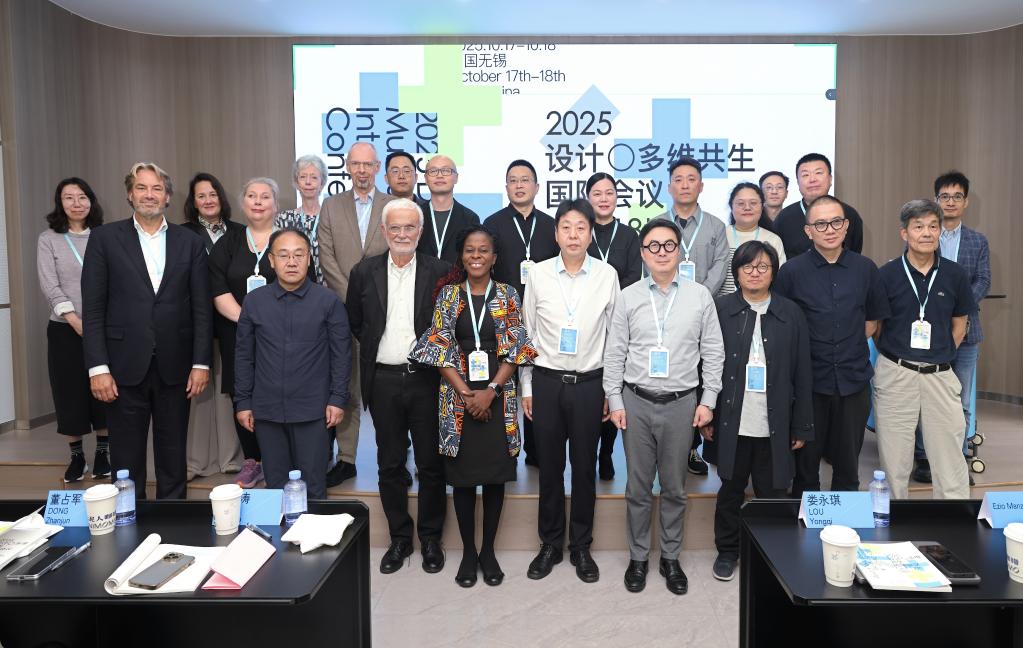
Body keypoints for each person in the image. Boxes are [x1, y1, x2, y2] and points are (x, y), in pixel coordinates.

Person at [410, 225, 538, 588]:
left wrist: (491, 391)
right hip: (458, 398)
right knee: (463, 480)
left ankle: (488, 552)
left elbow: (516, 349)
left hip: (499, 395)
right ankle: (468, 552)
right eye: (470, 250)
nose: (476, 256)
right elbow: (438, 348)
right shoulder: (449, 295)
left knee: (495, 477)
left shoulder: (507, 294)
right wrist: (467, 394)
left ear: (494, 257)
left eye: (483, 250)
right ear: (461, 256)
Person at [603, 218, 724, 595]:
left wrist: (708, 400)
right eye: (653, 246)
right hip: (636, 402)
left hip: (681, 403)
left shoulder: (699, 296)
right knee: (637, 487)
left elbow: (713, 352)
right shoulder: (628, 296)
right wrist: (614, 399)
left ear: (679, 250)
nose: (661, 252)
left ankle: (670, 557)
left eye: (669, 245)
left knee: (674, 487)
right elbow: (615, 352)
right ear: (643, 253)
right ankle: (638, 557)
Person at [82, 162, 212, 499]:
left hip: (177, 366)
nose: (149, 195)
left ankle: (173, 519)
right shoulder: (104, 239)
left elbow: (201, 308)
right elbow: (93, 309)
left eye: (157, 188)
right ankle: (129, 520)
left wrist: (201, 363)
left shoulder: (190, 242)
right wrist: (98, 368)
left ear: (167, 196)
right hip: (121, 366)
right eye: (141, 188)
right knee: (126, 458)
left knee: (173, 454)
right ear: (130, 194)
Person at [346, 198, 451, 574]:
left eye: (410, 227)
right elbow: (356, 322)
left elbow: (448, 326)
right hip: (384, 380)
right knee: (389, 463)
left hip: (427, 379)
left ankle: (431, 538)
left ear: (420, 231)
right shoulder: (364, 271)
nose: (402, 234)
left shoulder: (442, 272)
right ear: (384, 231)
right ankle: (400, 538)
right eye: (395, 227)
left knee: (431, 464)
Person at [520, 198, 619, 583]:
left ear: (591, 234)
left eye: (581, 227)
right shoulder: (539, 274)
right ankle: (549, 543)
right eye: (566, 227)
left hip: (590, 383)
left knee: (584, 468)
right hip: (546, 382)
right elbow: (527, 332)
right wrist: (527, 386)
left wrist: (611, 390)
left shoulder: (607, 275)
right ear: (556, 233)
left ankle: (581, 545)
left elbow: (615, 337)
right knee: (549, 468)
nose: (573, 235)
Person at [706, 241, 813, 582]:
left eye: (763, 266)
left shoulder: (791, 313)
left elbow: (802, 372)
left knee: (774, 493)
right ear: (736, 273)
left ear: (774, 272)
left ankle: (772, 554)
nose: (755, 273)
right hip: (731, 419)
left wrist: (802, 425)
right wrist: (706, 413)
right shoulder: (720, 309)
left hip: (775, 421)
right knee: (730, 490)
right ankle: (728, 550)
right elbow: (706, 364)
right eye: (747, 267)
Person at [775, 195, 887, 496]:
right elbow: (782, 327)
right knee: (805, 467)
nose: (830, 229)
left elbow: (872, 322)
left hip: (853, 380)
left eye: (836, 222)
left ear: (846, 226)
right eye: (821, 224)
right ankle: (806, 522)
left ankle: (845, 522)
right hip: (808, 383)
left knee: (848, 466)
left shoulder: (866, 269)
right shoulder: (791, 272)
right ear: (808, 231)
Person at [234, 228, 351, 500]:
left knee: (313, 487)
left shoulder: (329, 301)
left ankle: (313, 530)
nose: (292, 262)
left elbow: (342, 355)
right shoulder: (254, 302)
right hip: (267, 411)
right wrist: (243, 402)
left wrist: (337, 398)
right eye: (283, 255)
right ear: (271, 261)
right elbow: (244, 356)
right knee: (275, 487)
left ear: (309, 259)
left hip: (314, 411)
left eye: (299, 255)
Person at [874, 199, 975, 500]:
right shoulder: (886, 274)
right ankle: (892, 519)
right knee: (894, 458)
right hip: (896, 373)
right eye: (918, 227)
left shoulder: (955, 274)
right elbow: (877, 328)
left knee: (949, 457)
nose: (927, 233)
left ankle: (953, 519)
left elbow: (960, 325)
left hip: (940, 374)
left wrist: (939, 354)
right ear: (904, 233)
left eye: (933, 226)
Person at [318, 141, 395, 486]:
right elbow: (325, 256)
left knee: (384, 389)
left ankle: (391, 459)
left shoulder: (393, 206)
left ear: (377, 167)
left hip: (385, 309)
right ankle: (346, 459)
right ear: (347, 167)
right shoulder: (331, 206)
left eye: (368, 164)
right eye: (356, 164)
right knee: (346, 385)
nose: (362, 170)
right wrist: (351, 297)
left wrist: (370, 297)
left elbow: (399, 251)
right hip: (340, 311)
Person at [912, 171, 991, 483]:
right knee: (926, 396)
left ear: (966, 201)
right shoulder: (924, 235)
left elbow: (983, 280)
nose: (951, 202)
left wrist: (959, 307)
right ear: (936, 200)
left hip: (967, 332)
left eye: (957, 196)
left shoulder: (978, 241)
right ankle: (924, 459)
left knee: (960, 397)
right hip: (928, 330)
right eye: (944, 196)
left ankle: (957, 459)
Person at [655, 155, 729, 476]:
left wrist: (696, 299)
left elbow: (720, 266)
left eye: (691, 179)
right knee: (668, 378)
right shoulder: (657, 223)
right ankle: (661, 444)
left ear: (701, 185)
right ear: (669, 186)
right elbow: (651, 264)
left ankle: (691, 448)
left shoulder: (715, 226)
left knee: (698, 379)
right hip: (663, 314)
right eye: (678, 179)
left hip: (704, 312)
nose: (684, 185)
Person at [209, 177, 282, 489]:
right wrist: (249, 321)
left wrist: (271, 324)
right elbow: (217, 288)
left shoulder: (287, 240)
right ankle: (253, 461)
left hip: (281, 335)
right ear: (243, 203)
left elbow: (300, 282)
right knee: (243, 394)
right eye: (252, 196)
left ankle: (279, 459)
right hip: (237, 333)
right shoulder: (229, 243)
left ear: (275, 204)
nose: (258, 201)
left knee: (279, 391)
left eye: (265, 196)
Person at [486, 159, 559, 467]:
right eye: (513, 180)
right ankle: (504, 450)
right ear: (506, 187)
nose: (519, 185)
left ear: (537, 187)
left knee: (536, 383)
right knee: (504, 384)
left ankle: (536, 451)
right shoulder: (492, 224)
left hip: (543, 317)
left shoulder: (552, 226)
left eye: (525, 179)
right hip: (503, 316)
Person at [37, 178, 110, 483]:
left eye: (82, 197)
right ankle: (77, 456)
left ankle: (103, 453)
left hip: (103, 326)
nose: (76, 203)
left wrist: (96, 323)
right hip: (65, 329)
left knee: (104, 388)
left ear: (91, 201)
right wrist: (74, 320)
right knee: (69, 391)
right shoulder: (49, 239)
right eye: (69, 198)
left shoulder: (105, 236)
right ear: (60, 202)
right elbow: (49, 284)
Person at [181, 172, 245, 480]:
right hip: (194, 320)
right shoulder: (181, 234)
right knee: (197, 392)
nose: (208, 200)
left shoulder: (240, 232)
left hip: (232, 319)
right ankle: (195, 462)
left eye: (213, 194)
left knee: (228, 389)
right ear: (193, 202)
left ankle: (231, 458)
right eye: (201, 196)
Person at [584, 171, 641, 481]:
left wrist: (612, 300)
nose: (604, 199)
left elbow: (634, 274)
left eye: (609, 193)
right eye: (597, 193)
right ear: (588, 197)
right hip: (587, 319)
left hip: (620, 319)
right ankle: (587, 453)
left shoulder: (630, 235)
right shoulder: (581, 231)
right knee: (589, 390)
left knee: (612, 386)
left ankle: (606, 453)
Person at [772, 153, 864, 259]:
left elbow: (855, 253)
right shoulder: (784, 218)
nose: (812, 179)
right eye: (805, 175)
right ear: (798, 182)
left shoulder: (849, 214)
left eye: (818, 173)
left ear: (830, 179)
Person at [718, 182, 786, 296]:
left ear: (762, 206)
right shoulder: (719, 235)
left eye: (753, 203)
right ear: (731, 206)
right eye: (741, 203)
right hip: (721, 303)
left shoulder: (773, 239)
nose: (747, 208)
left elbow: (779, 278)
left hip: (760, 302)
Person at [415, 154, 481, 264]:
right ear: (426, 179)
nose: (439, 175)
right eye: (433, 171)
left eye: (446, 171)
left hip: (457, 275)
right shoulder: (414, 215)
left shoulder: (470, 218)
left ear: (456, 178)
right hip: (420, 274)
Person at [276, 154, 329, 284]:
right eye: (303, 177)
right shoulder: (283, 219)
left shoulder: (331, 218)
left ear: (322, 183)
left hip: (328, 286)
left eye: (314, 177)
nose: (308, 182)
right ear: (296, 182)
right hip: (293, 284)